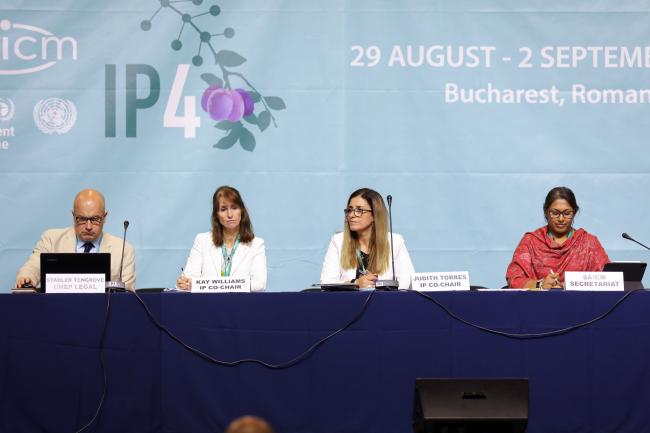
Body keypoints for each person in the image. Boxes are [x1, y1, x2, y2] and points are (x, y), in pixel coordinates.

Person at [15, 189, 136, 290]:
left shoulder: (123, 250)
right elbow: (32, 267)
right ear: (73, 216)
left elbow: (128, 296)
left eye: (95, 219)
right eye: (82, 219)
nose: (88, 226)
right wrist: (26, 277)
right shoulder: (51, 240)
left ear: (105, 217)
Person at [506, 186, 609, 289]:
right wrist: (540, 284)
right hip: (538, 303)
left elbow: (609, 279)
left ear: (574, 213)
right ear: (546, 213)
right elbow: (513, 278)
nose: (561, 219)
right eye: (555, 213)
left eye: (567, 213)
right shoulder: (531, 241)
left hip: (581, 303)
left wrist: (569, 285)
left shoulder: (589, 243)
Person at [320, 188, 414, 289]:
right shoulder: (338, 241)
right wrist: (355, 283)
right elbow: (326, 283)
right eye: (349, 210)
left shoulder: (395, 241)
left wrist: (379, 286)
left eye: (359, 210)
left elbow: (408, 282)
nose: (351, 215)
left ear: (374, 215)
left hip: (385, 302)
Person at [176, 186, 267, 291]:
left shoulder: (256, 244)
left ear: (242, 211)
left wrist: (214, 285)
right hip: (207, 305)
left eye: (234, 208)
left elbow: (259, 285)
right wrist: (184, 283)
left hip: (242, 305)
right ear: (216, 215)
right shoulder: (202, 240)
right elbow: (188, 281)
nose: (230, 215)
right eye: (223, 209)